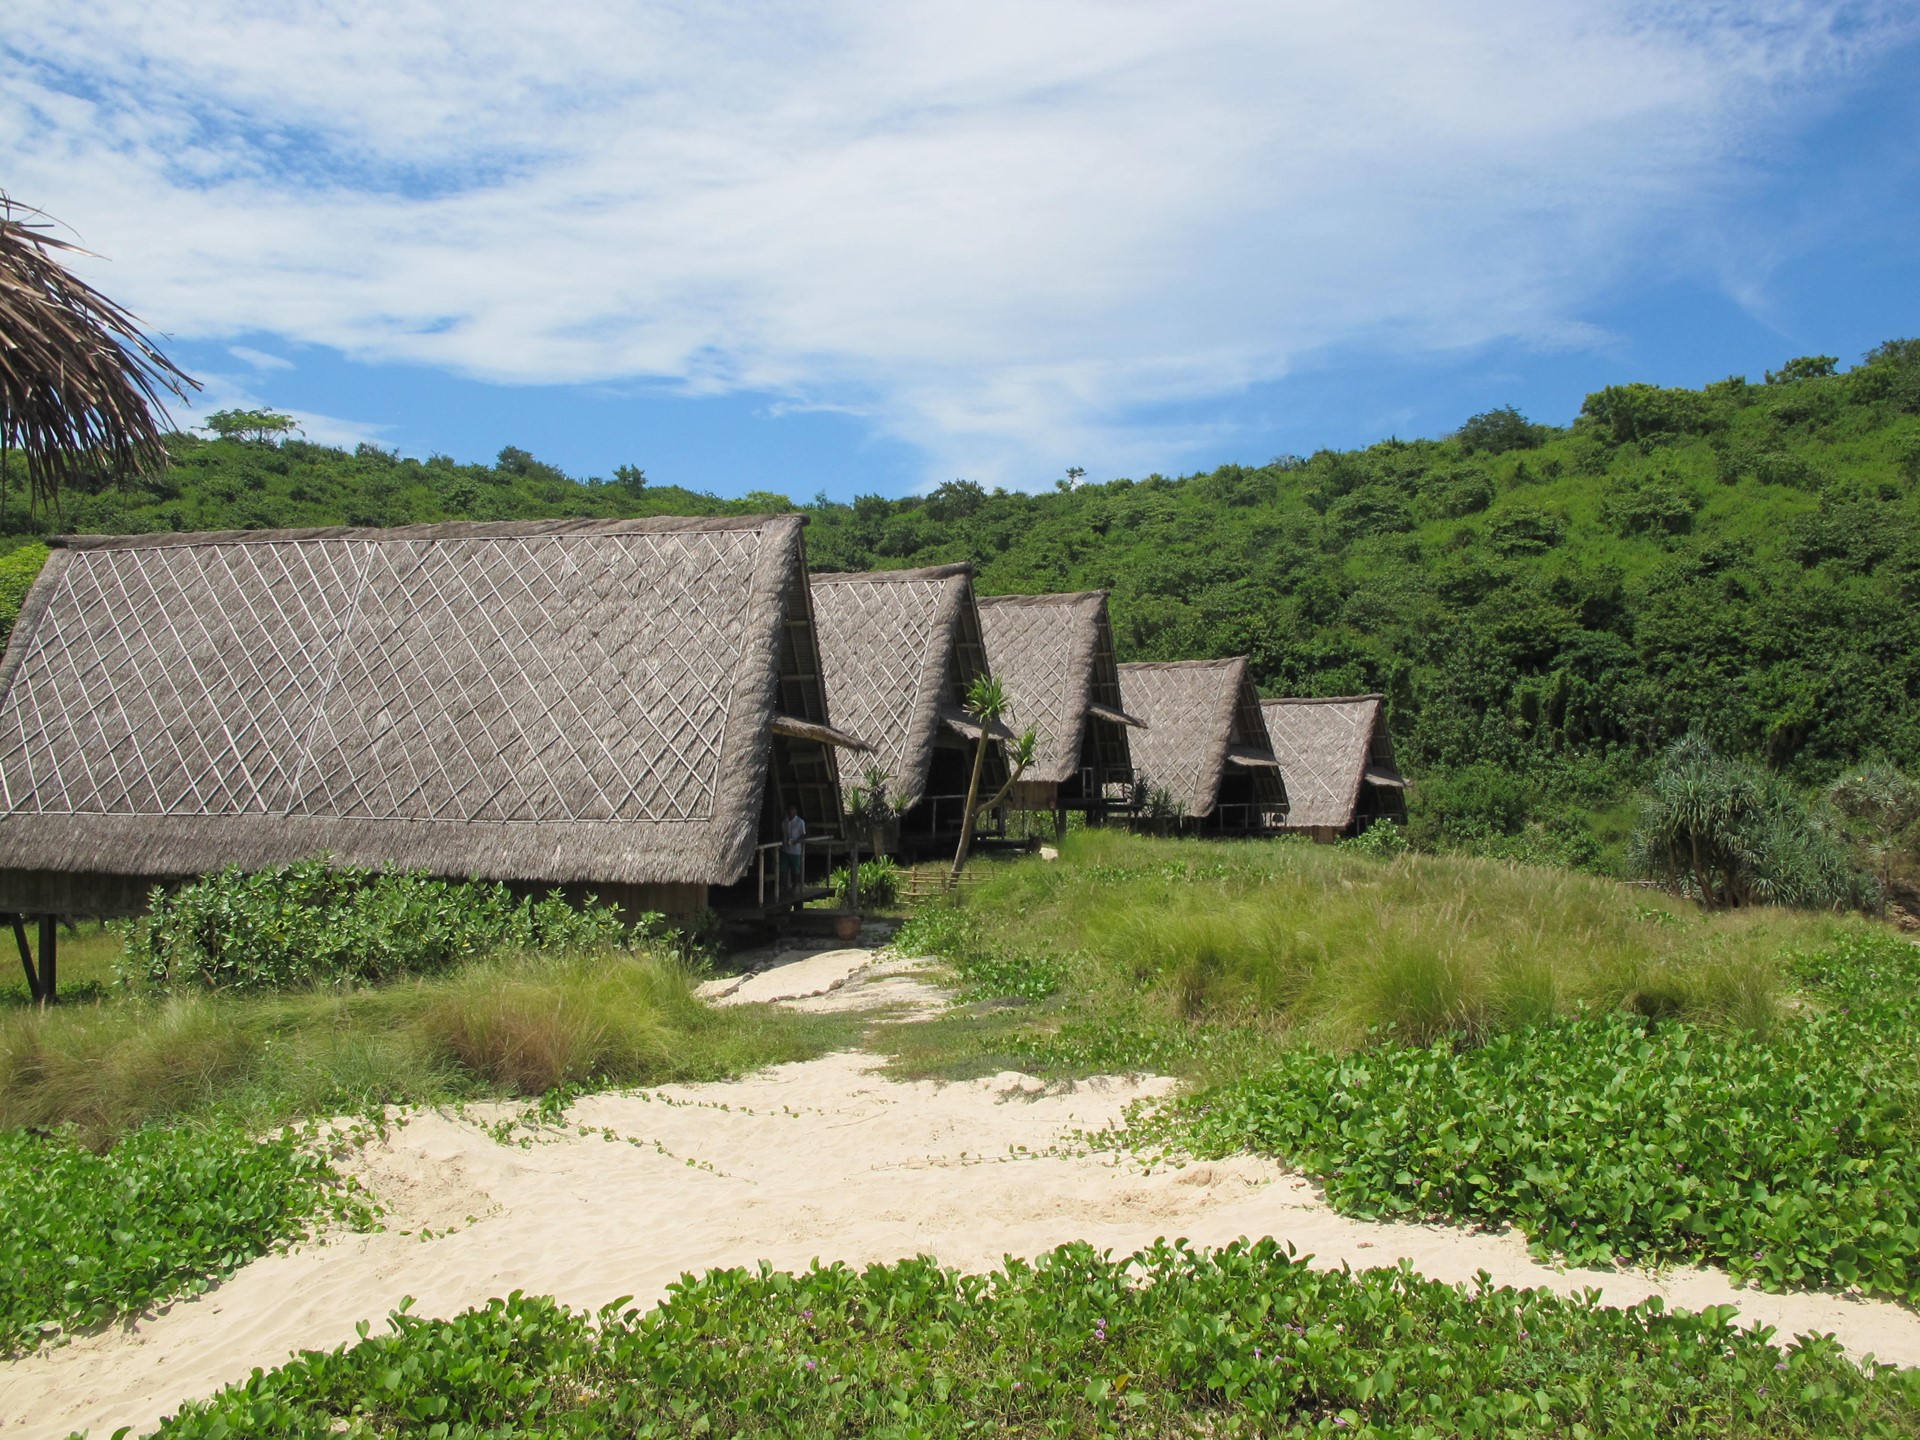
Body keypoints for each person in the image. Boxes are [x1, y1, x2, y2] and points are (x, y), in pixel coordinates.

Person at [780, 804, 806, 893]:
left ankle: (794, 887)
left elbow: (803, 834)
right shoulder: (785, 822)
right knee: (783, 869)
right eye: (789, 809)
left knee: (795, 870)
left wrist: (796, 841)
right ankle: (784, 887)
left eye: (792, 809)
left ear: (796, 810)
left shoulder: (800, 822)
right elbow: (782, 833)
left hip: (795, 851)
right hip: (785, 849)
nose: (791, 811)